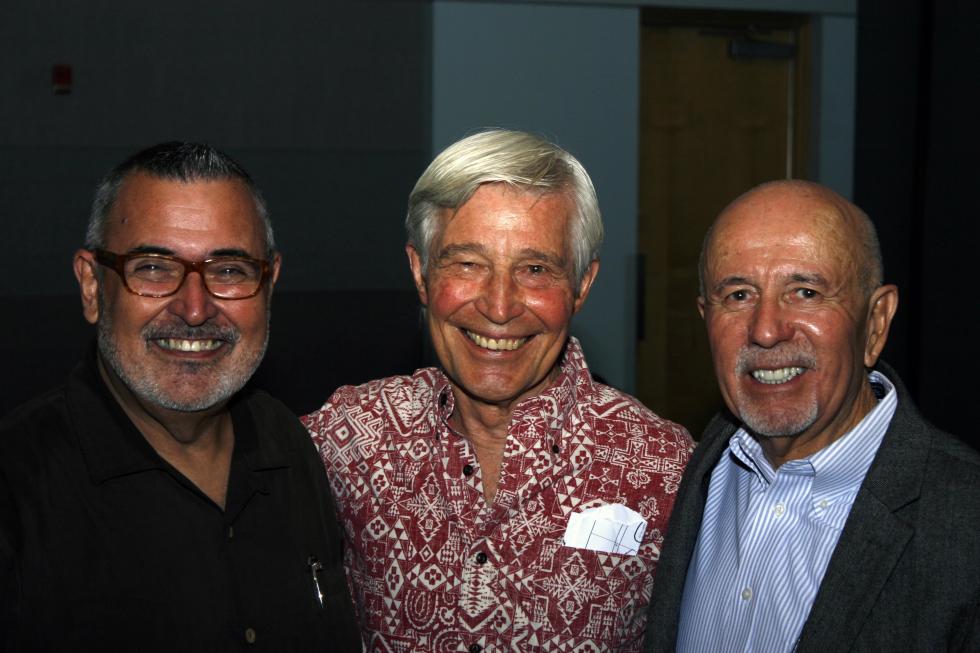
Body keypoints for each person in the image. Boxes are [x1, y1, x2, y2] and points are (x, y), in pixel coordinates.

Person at [303, 129, 693, 651]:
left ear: (581, 284)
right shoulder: (349, 438)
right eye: (468, 264)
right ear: (420, 272)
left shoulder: (664, 468)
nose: (500, 305)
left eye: (535, 270)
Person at [0, 142, 359, 651]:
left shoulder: (290, 445)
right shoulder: (17, 491)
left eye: (229, 270)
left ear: (269, 285)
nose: (195, 309)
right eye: (153, 268)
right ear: (91, 287)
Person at [644, 180, 980, 652]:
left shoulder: (964, 523)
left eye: (804, 291)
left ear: (876, 322)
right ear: (705, 318)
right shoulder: (673, 472)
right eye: (738, 295)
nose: (765, 331)